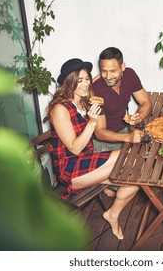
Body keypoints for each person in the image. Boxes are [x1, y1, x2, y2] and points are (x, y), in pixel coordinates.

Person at [47, 58, 139, 240]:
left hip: (87, 160)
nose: (85, 84)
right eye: (79, 80)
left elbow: (99, 78)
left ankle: (112, 214)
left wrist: (110, 72)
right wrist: (92, 122)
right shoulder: (60, 109)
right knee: (129, 159)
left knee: (135, 177)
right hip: (70, 170)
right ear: (69, 82)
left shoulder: (83, 100)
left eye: (87, 79)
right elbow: (74, 149)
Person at [91, 47, 152, 152]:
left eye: (113, 71)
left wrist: (140, 116)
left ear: (122, 67)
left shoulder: (129, 75)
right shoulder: (96, 91)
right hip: (105, 144)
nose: (108, 76)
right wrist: (128, 137)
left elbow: (146, 102)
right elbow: (99, 132)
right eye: (104, 71)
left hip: (126, 131)